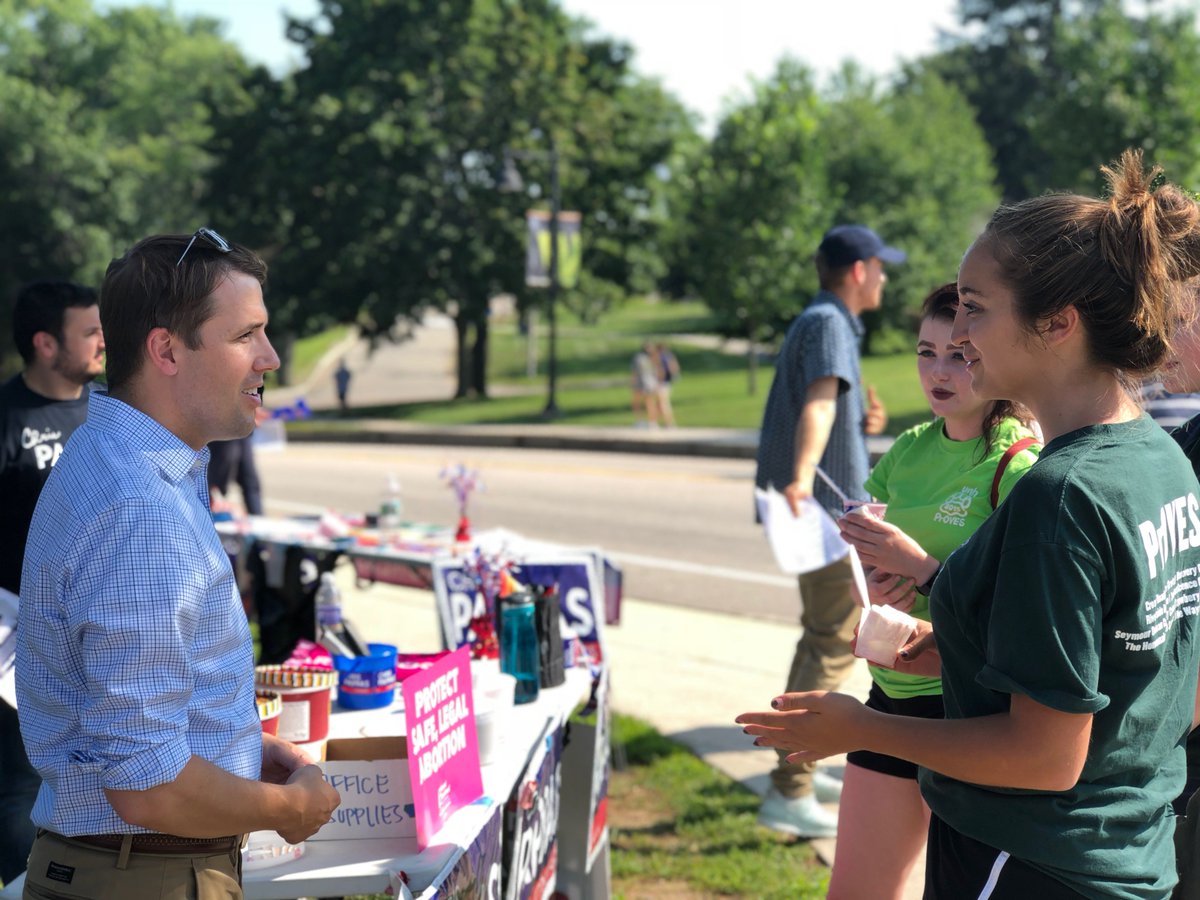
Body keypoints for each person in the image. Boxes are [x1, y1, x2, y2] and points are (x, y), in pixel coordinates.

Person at [739, 150, 1200, 898]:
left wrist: (861, 729)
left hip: (1028, 859)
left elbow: (1044, 756)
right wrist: (948, 647)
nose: (960, 336)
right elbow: (1137, 676)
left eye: (976, 307)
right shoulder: (1159, 459)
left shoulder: (1061, 495)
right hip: (1129, 852)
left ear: (1056, 323)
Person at [16, 228, 340, 898]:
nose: (271, 358)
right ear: (165, 349)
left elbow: (138, 717)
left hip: (127, 865)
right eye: (245, 336)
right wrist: (289, 811)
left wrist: (241, 748)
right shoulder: (140, 508)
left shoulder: (122, 459)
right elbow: (148, 782)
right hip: (148, 875)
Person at [829, 283, 1039, 898]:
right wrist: (871, 587)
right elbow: (866, 568)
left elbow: (1020, 615)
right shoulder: (909, 448)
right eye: (926, 352)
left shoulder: (1017, 464)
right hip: (889, 696)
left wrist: (917, 565)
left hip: (967, 716)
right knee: (856, 890)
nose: (939, 372)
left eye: (960, 354)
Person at [751, 223, 903, 838]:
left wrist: (859, 425)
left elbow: (827, 405)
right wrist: (803, 472)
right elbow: (817, 402)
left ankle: (801, 765)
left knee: (825, 635)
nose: (886, 278)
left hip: (815, 506)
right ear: (860, 270)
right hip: (820, 514)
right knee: (834, 641)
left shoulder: (824, 320)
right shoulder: (830, 323)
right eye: (882, 266)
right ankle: (789, 788)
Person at [0, 279, 104, 885]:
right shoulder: (8, 418)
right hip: (18, 640)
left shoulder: (111, 411)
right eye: (88, 332)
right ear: (45, 343)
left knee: (97, 772)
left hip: (98, 631)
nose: (101, 343)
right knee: (21, 782)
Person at [207, 434, 263, 515]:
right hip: (221, 434)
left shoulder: (242, 438)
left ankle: (258, 519)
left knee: (250, 482)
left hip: (239, 434)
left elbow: (250, 483)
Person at [631, 342, 661, 428]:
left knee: (639, 402)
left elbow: (635, 372)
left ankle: (642, 421)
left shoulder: (639, 358)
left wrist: (633, 382)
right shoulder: (654, 357)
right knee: (649, 402)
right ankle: (652, 422)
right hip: (651, 381)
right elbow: (658, 371)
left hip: (642, 381)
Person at [653, 342, 680, 427]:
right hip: (668, 382)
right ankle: (655, 422)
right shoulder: (670, 356)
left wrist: (658, 382)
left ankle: (669, 422)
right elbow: (676, 368)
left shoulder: (659, 357)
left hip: (661, 382)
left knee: (663, 403)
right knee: (660, 403)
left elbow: (661, 371)